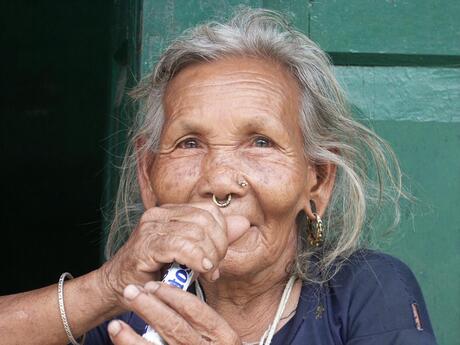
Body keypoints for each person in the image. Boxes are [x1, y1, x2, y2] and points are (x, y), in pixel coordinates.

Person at [0, 8, 438, 345]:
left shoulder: (369, 293)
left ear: (318, 181)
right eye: (189, 143)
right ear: (148, 176)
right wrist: (107, 286)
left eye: (260, 142)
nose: (220, 180)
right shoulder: (132, 308)